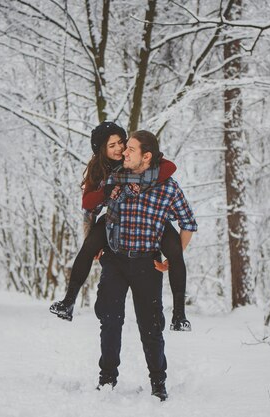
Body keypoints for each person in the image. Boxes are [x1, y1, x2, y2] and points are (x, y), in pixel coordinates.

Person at [49, 122, 192, 331]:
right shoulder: (98, 170)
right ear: (102, 150)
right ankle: (68, 301)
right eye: (111, 145)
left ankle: (180, 315)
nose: (119, 149)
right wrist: (106, 193)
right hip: (117, 218)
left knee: (174, 249)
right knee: (89, 246)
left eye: (121, 143)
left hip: (151, 217)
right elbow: (88, 206)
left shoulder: (133, 159)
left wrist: (141, 179)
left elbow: (168, 167)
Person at [93, 130, 197, 401]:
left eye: (131, 149)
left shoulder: (168, 187)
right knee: (110, 321)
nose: (124, 152)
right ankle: (107, 379)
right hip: (115, 261)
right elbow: (92, 207)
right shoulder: (117, 177)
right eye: (124, 148)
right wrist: (93, 244)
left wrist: (170, 258)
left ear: (146, 156)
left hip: (146, 264)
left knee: (151, 326)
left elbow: (188, 223)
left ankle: (158, 382)